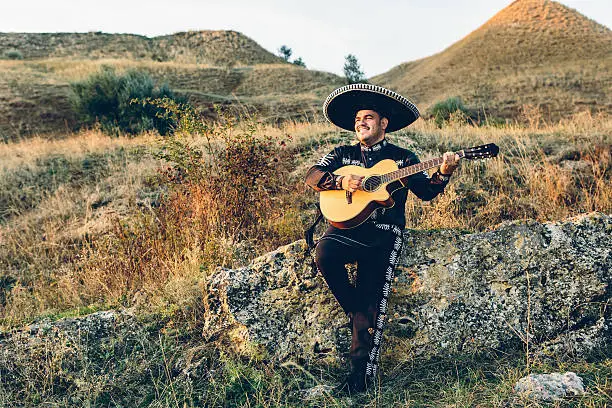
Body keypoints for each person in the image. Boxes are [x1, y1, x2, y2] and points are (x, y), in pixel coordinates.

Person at [304, 83, 460, 393]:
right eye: (358, 119)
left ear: (383, 124)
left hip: (383, 234)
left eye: (368, 118)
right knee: (324, 253)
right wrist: (339, 180)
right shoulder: (341, 153)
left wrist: (443, 172)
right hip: (346, 228)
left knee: (372, 300)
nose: (360, 123)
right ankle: (355, 312)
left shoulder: (402, 160)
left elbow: (426, 192)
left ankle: (358, 379)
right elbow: (312, 176)